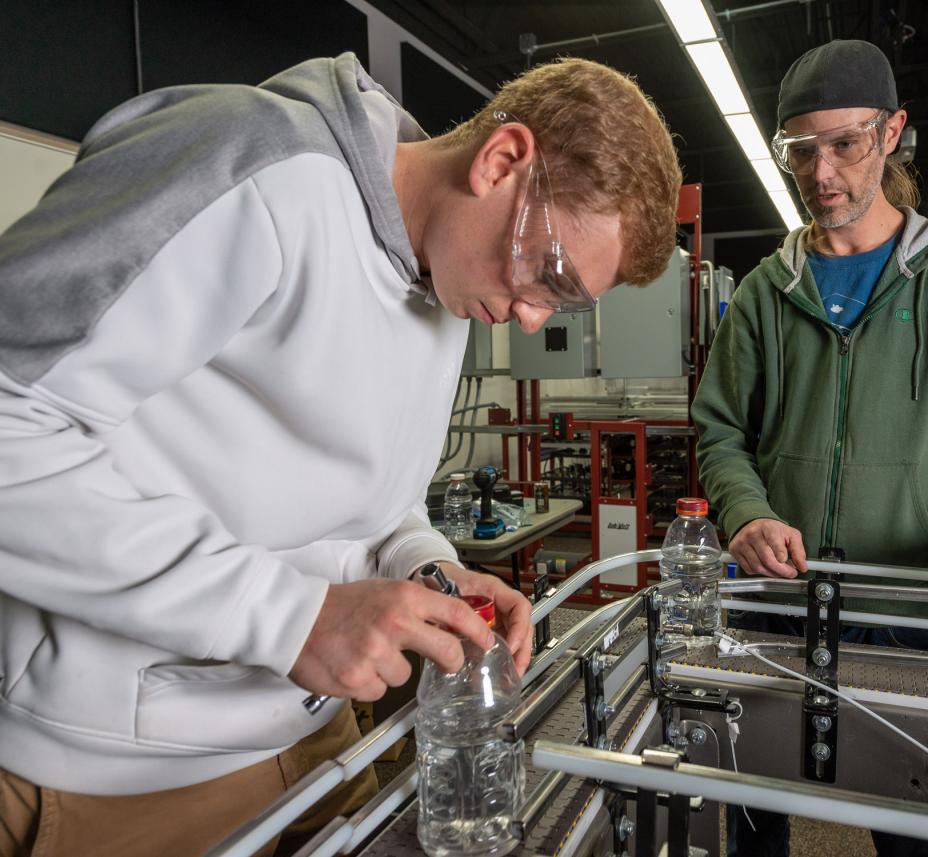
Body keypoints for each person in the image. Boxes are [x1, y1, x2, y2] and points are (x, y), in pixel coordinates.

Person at [0, 53, 681, 857]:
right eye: (550, 275)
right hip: (127, 775)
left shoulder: (446, 277)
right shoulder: (256, 166)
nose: (534, 319)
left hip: (313, 737)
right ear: (502, 163)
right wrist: (289, 617)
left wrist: (429, 567)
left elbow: (372, 502)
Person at [691, 39, 928, 857]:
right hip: (771, 612)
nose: (820, 174)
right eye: (800, 151)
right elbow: (720, 431)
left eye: (844, 144)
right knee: (753, 818)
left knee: (910, 829)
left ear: (891, 133)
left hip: (901, 612)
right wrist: (745, 511)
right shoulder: (762, 292)